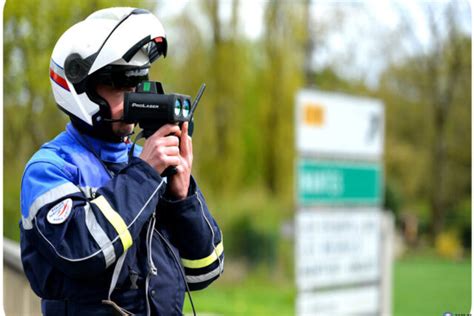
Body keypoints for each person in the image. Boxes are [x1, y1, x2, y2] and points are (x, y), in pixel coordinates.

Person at [19, 7, 224, 316]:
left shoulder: (143, 163)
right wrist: (145, 175)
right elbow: (82, 251)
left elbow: (204, 270)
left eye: (137, 84)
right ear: (81, 88)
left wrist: (181, 198)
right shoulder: (49, 169)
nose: (133, 99)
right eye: (119, 85)